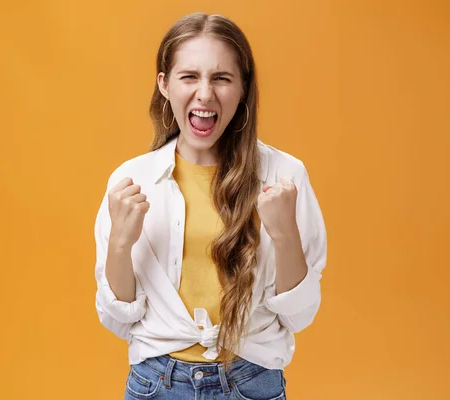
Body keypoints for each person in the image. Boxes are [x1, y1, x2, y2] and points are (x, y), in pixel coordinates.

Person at [94, 12, 327, 400]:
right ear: (165, 85)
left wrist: (285, 235)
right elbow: (119, 321)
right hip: (157, 384)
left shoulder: (286, 176)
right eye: (189, 77)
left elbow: (298, 316)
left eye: (221, 78)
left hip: (253, 383)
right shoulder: (132, 180)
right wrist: (120, 241)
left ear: (243, 88)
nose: (205, 94)